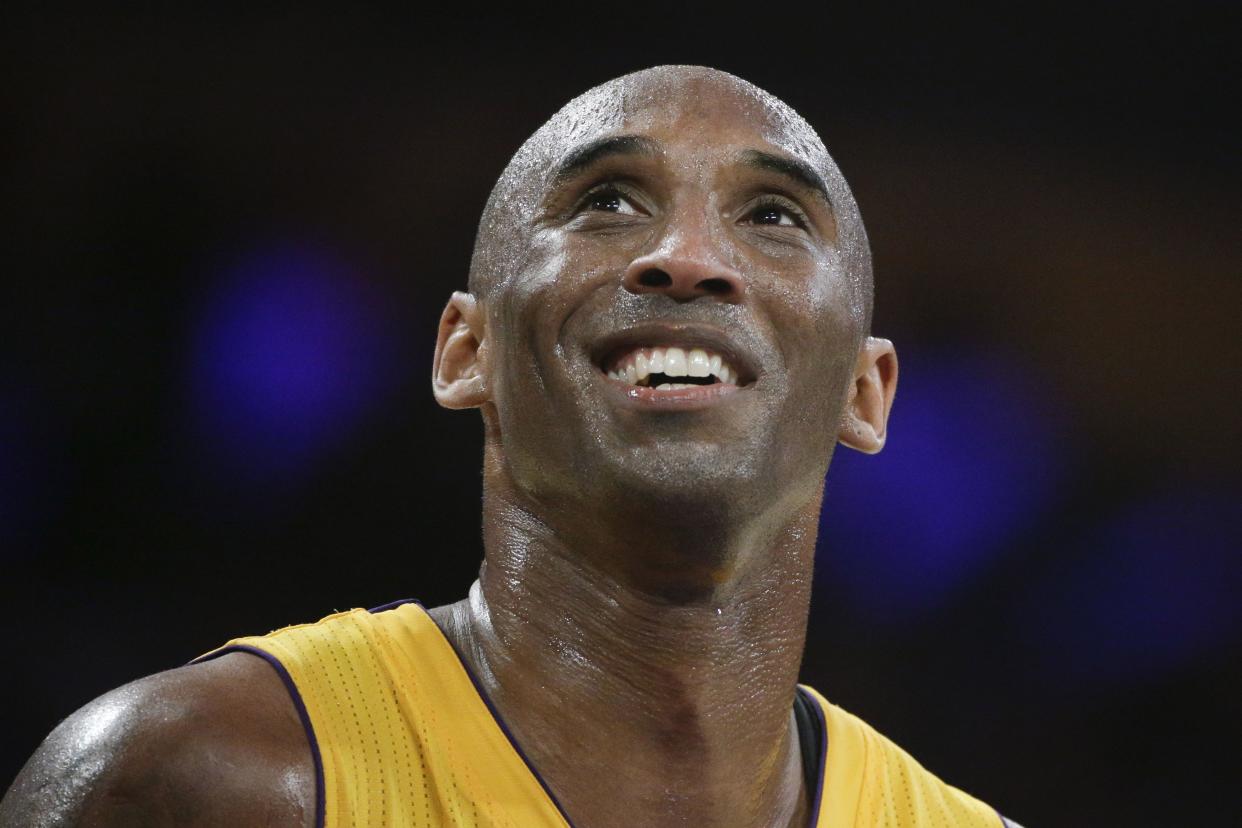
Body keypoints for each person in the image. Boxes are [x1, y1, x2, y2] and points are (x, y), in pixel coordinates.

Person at [0, 65, 1023, 827]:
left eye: (771, 214)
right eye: (608, 201)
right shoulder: (198, 778)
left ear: (866, 391)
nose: (688, 258)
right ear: (464, 352)